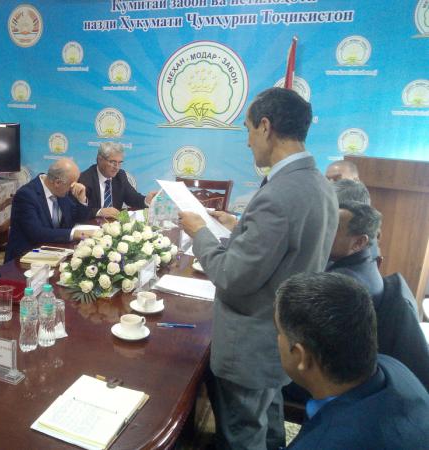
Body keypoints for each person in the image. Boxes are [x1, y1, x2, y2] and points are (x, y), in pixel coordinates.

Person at [179, 87, 338, 450]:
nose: (248, 142)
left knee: (241, 434)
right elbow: (289, 245)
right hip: (280, 337)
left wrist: (200, 232)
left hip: (252, 345)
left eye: (249, 130)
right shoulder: (317, 182)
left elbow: (231, 276)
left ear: (265, 126)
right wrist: (240, 226)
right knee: (267, 424)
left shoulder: (280, 194)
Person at [275, 272, 429, 449]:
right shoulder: (394, 368)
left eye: (279, 331)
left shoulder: (324, 444)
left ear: (301, 356)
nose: (276, 338)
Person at [327, 201, 429, 391]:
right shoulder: (366, 266)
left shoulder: (342, 285)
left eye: (332, 227)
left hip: (345, 383)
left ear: (359, 242)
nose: (323, 231)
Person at [5, 158, 91, 262]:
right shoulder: (26, 195)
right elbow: (37, 233)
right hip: (25, 257)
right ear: (57, 182)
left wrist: (82, 199)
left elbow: (79, 219)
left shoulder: (61, 191)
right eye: (71, 185)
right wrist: (74, 233)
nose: (73, 188)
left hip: (54, 251)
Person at [78, 142, 157, 219]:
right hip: (92, 224)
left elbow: (132, 197)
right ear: (100, 159)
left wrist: (146, 200)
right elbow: (77, 211)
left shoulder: (120, 175)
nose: (117, 167)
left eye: (119, 163)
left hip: (114, 223)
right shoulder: (85, 179)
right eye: (113, 162)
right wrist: (99, 212)